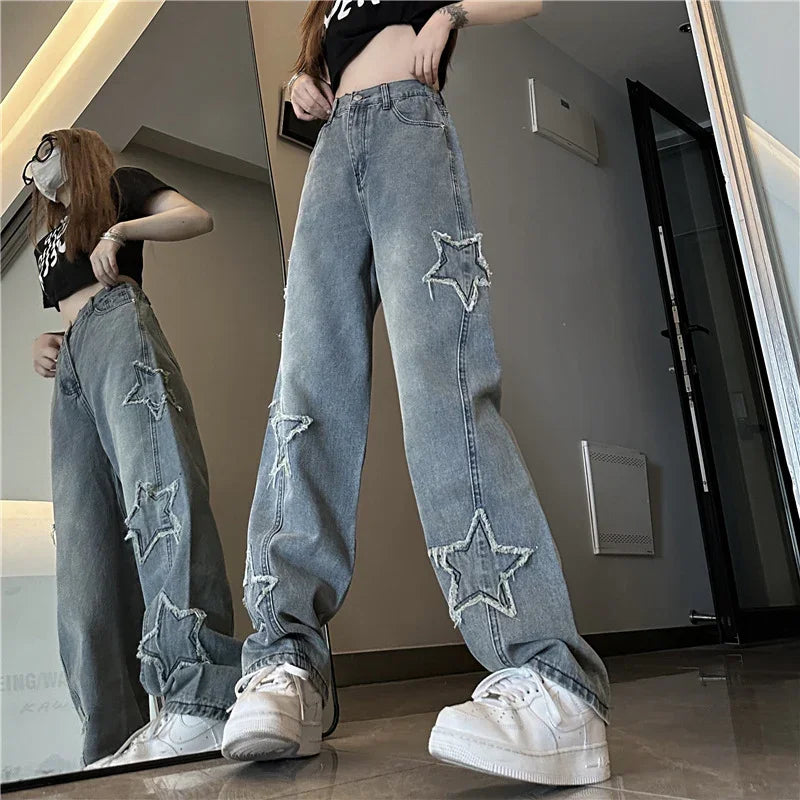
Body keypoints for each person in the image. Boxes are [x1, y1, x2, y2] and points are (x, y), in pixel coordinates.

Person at [223, 1, 611, 786]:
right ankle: (287, 663)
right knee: (304, 393)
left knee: (445, 382)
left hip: (409, 127)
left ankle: (551, 679)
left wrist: (451, 13)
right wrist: (308, 82)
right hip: (335, 152)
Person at [26, 128, 241, 767]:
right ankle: (110, 745)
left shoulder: (119, 188)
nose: (37, 167)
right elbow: (68, 305)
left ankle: (200, 699)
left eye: (45, 150)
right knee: (85, 550)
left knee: (160, 496)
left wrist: (122, 233)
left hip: (120, 325)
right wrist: (45, 341)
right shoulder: (48, 238)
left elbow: (195, 217)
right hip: (74, 368)